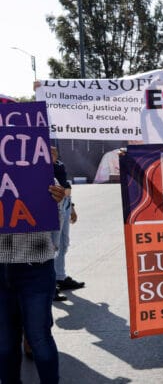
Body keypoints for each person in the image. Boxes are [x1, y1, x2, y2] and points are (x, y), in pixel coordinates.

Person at [1, 182, 67, 384]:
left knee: (38, 337)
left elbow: (56, 222)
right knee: (4, 341)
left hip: (35, 266)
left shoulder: (38, 168)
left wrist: (58, 201)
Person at [50, 146, 83, 302]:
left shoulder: (59, 164)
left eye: (55, 150)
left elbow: (65, 185)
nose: (54, 151)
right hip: (53, 206)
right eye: (50, 150)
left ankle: (60, 277)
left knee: (63, 243)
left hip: (65, 203)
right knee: (52, 246)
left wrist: (72, 207)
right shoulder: (41, 166)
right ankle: (50, 284)